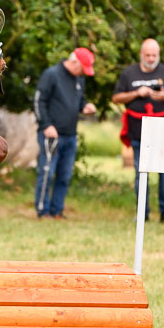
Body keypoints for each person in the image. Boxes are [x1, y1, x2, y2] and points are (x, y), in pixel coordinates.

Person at [112, 38, 164, 223]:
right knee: (140, 173)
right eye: (148, 55)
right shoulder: (129, 73)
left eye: (154, 55)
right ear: (141, 54)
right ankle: (142, 213)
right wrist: (137, 93)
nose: (151, 58)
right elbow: (116, 98)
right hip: (138, 131)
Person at [33, 47, 96, 218]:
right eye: (82, 69)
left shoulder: (79, 79)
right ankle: (43, 210)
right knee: (47, 173)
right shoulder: (51, 74)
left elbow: (79, 100)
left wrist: (85, 107)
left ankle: (57, 210)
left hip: (71, 135)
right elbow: (39, 101)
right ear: (74, 61)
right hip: (51, 135)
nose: (83, 73)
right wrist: (46, 125)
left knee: (65, 175)